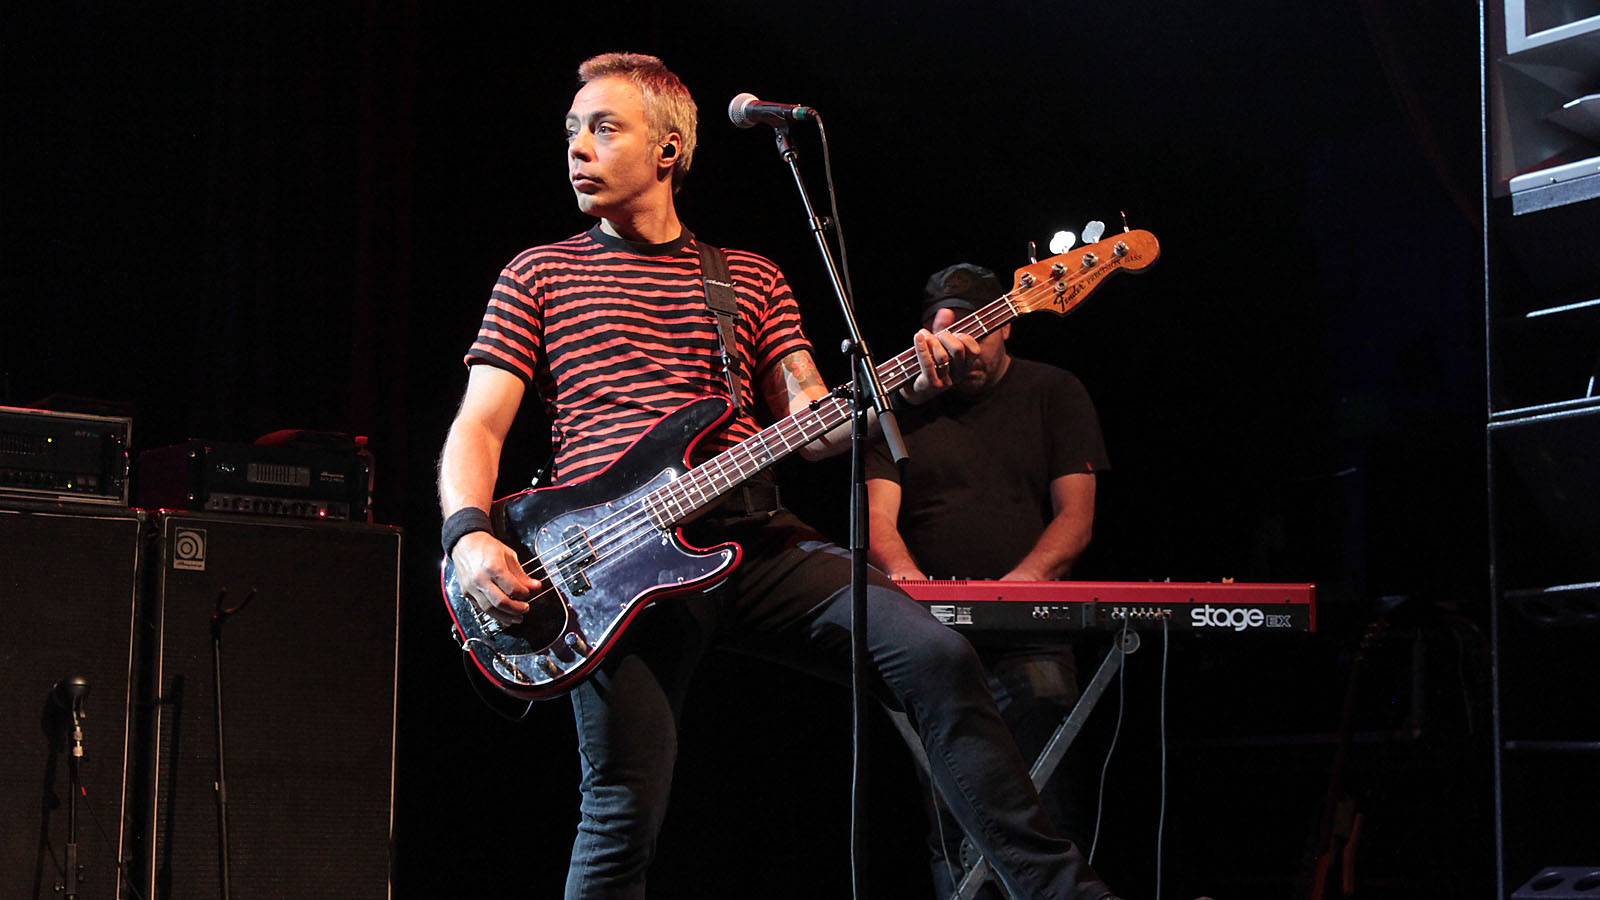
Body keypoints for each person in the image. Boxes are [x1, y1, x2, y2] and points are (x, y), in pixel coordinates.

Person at [437, 52, 1120, 900]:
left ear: (669, 149)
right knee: (621, 810)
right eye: (573, 130)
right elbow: (479, 424)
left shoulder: (748, 278)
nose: (578, 147)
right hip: (607, 567)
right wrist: (467, 535)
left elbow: (815, 425)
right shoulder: (537, 273)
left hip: (756, 543)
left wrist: (900, 386)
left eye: (604, 128)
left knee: (937, 658)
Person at [866, 262, 1110, 899]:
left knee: (1046, 806)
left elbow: (1076, 517)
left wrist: (1014, 592)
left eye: (978, 330)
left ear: (1007, 325)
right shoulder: (897, 409)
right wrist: (913, 589)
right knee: (951, 821)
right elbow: (878, 524)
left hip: (1032, 633)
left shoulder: (1054, 391)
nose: (964, 350)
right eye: (946, 333)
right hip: (930, 638)